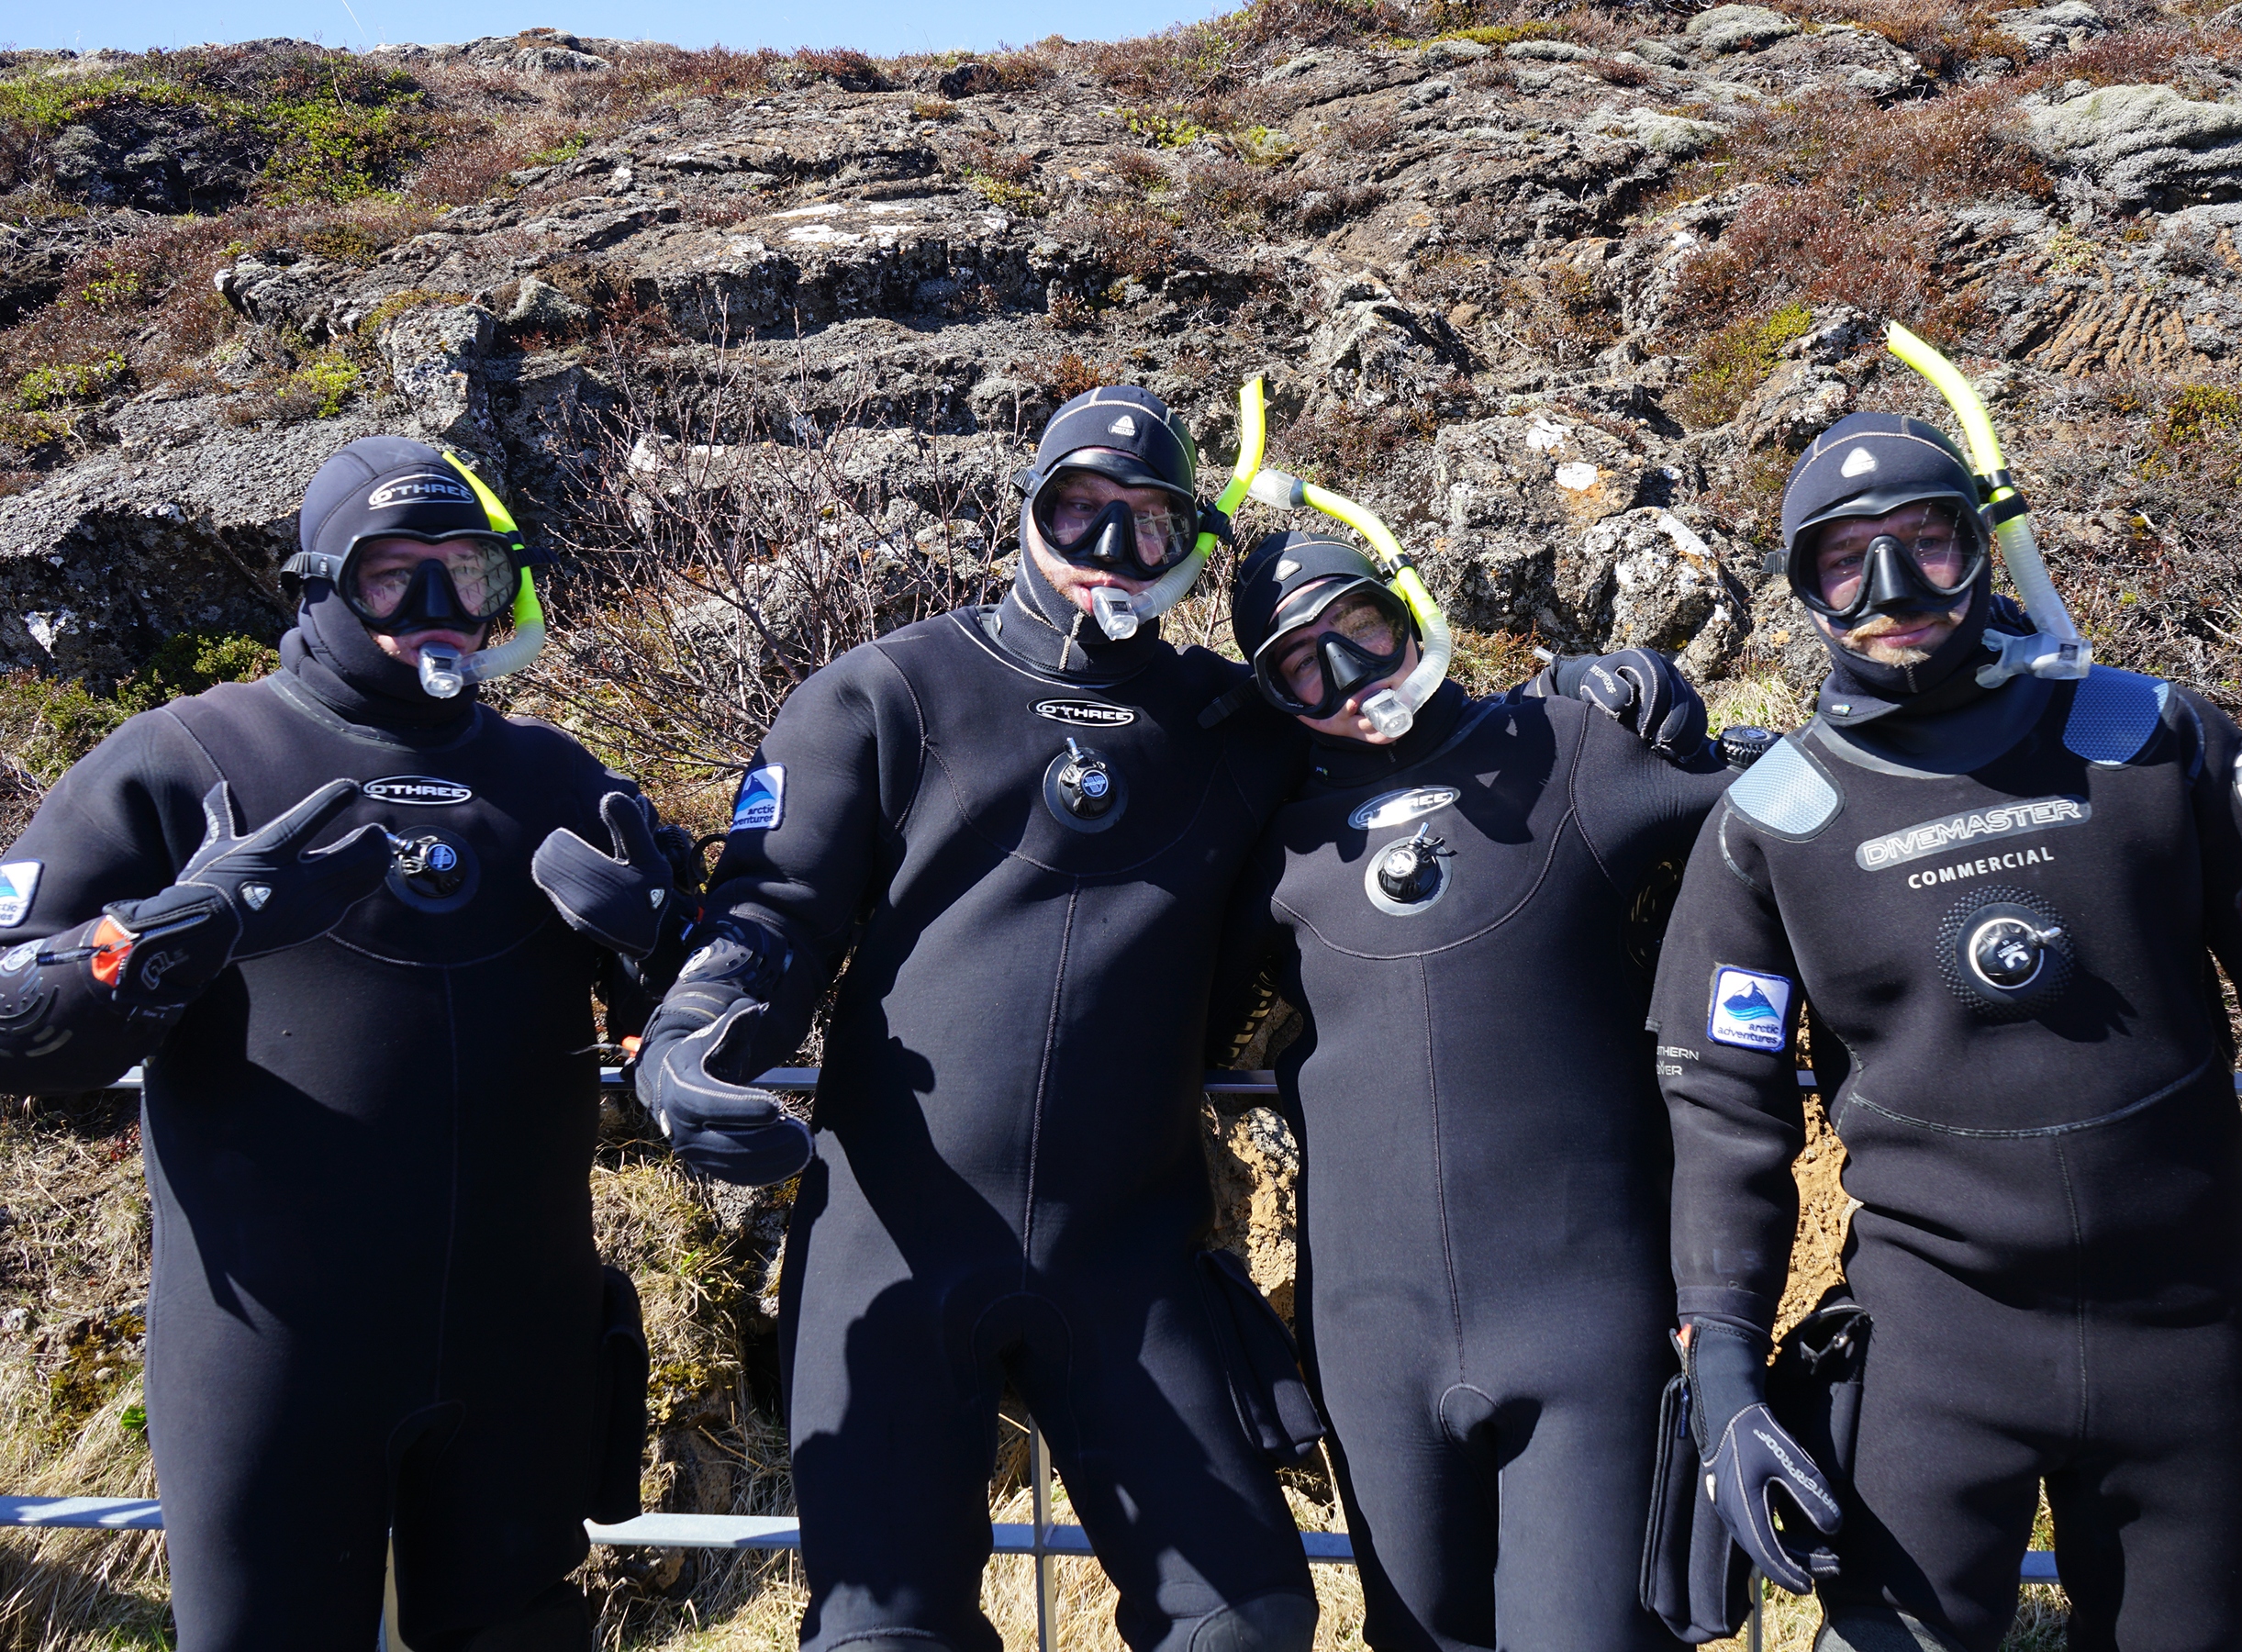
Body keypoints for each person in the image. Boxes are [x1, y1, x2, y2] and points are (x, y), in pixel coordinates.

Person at [1648, 410, 2242, 1652]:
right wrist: (1722, 1377)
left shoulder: (2152, 744)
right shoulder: (1775, 826)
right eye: (1845, 560)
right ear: (1803, 591)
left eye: (1927, 544)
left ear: (1988, 550)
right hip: (1936, 1353)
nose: (1892, 590)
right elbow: (1724, 1118)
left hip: (2187, 1340)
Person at [630, 386, 1329, 1652]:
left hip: (1130, 1257)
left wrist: (1584, 717)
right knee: (882, 1644)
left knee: (1250, 1624)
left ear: (1186, 547)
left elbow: (1406, 749)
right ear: (1024, 508)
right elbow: (774, 909)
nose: (1109, 550)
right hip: (897, 1246)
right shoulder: (887, 694)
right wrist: (692, 1035)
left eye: (1147, 523)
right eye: (1079, 509)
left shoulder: (1234, 732)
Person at [0, 436, 686, 1650]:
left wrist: (662, 954)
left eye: (467, 574)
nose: (437, 608)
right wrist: (174, 933)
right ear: (316, 584)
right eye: (392, 575)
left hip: (519, 1353)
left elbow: (681, 1028)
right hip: (271, 1361)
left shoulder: (557, 779)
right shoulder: (183, 762)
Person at [1202, 528, 1734, 1652]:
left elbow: (1803, 810)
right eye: (1302, 664)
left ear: (1407, 611)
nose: (1348, 676)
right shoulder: (1271, 851)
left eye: (1360, 630)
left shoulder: (1568, 748)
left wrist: (1634, 687)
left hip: (1586, 1329)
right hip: (1372, 1352)